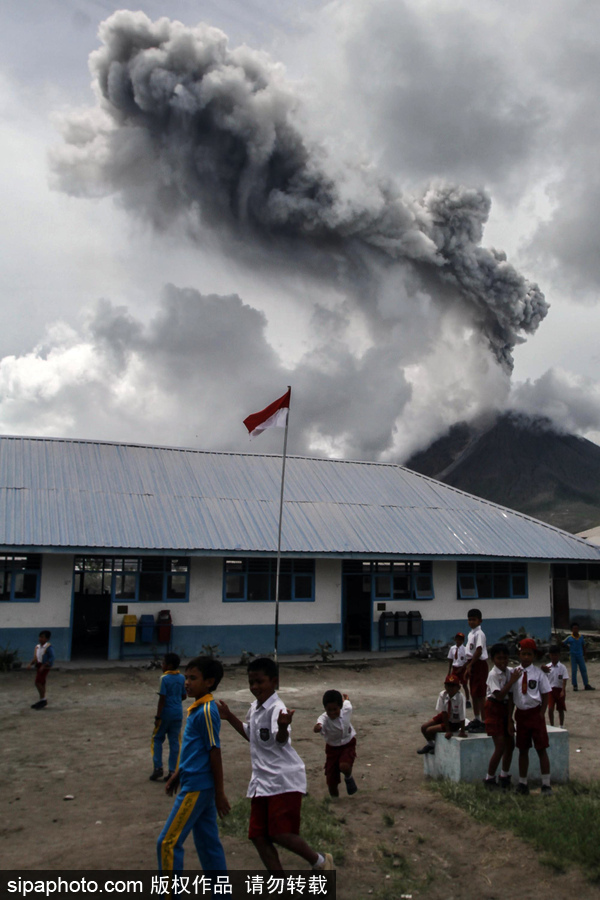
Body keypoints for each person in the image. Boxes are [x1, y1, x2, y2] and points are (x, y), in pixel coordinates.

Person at [217, 657, 334, 873]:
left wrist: (282, 727)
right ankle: (281, 887)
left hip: (283, 779)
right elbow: (252, 734)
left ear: (274, 682)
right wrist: (229, 717)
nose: (255, 687)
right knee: (258, 835)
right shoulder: (255, 708)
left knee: (281, 833)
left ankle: (320, 862)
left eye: (260, 682)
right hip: (262, 781)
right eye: (251, 682)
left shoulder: (277, 709)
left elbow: (280, 740)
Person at [157, 656, 230, 874]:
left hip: (197, 787)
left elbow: (214, 751)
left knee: (167, 843)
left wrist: (220, 792)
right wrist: (178, 774)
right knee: (208, 845)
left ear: (209, 681)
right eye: (186, 677)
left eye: (193, 678)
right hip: (194, 781)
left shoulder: (207, 711)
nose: (187, 682)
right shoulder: (197, 709)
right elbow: (195, 752)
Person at [510, 638, 552, 795]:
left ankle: (546, 784)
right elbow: (512, 697)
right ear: (519, 655)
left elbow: (546, 693)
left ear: (534, 655)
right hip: (521, 715)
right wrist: (510, 717)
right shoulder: (515, 673)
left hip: (535, 713)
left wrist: (541, 713)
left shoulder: (539, 674)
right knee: (522, 749)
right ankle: (522, 783)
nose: (526, 657)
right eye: (523, 654)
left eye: (529, 654)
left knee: (541, 748)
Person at [483, 643, 519, 790]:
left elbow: (510, 697)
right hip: (494, 707)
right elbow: (499, 696)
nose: (503, 661)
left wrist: (510, 718)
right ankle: (490, 778)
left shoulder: (510, 671)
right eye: (499, 658)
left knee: (510, 744)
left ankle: (504, 775)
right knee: (500, 745)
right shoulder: (493, 675)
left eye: (505, 658)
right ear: (493, 659)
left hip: (506, 708)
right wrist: (512, 681)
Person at [313, 690, 358, 797]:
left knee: (344, 766)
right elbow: (319, 724)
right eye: (329, 710)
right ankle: (335, 800)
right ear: (325, 709)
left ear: (340, 707)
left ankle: (348, 777)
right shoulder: (323, 718)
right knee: (331, 780)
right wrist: (317, 728)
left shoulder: (347, 709)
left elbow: (347, 702)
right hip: (332, 748)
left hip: (348, 743)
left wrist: (346, 699)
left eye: (335, 709)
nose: (332, 712)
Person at [150, 652, 187, 781]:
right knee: (175, 741)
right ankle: (172, 771)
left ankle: (158, 767)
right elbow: (184, 696)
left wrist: (157, 717)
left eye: (163, 663)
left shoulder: (164, 679)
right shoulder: (182, 678)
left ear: (169, 665)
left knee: (157, 739)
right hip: (178, 712)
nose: (162, 665)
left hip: (165, 713)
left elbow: (162, 699)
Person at [416, 673, 467, 755]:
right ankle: (431, 744)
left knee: (429, 730)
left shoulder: (460, 698)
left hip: (454, 721)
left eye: (453, 686)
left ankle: (438, 745)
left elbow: (462, 715)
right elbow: (443, 713)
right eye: (448, 686)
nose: (450, 688)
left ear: (458, 688)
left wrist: (462, 731)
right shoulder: (443, 695)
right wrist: (447, 730)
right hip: (446, 716)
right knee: (424, 727)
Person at [464, 609, 488, 732]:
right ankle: (477, 718)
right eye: (469, 619)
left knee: (480, 694)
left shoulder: (480, 634)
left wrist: (470, 665)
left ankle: (484, 721)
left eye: (474, 619)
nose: (471, 622)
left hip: (478, 664)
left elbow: (478, 651)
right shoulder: (470, 634)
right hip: (471, 663)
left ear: (480, 621)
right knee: (474, 693)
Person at [562, 623, 595, 691]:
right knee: (574, 671)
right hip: (573, 656)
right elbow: (562, 643)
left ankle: (586, 684)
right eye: (574, 629)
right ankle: (575, 685)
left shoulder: (581, 637)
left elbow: (583, 647)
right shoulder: (569, 638)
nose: (575, 630)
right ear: (571, 630)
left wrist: (585, 655)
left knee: (583, 670)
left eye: (576, 628)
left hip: (580, 656)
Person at [27, 630, 55, 710]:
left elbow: (52, 657)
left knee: (38, 682)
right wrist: (30, 664)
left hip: (45, 667)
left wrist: (44, 665)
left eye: (42, 637)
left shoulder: (49, 647)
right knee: (41, 682)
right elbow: (36, 658)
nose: (40, 639)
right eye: (40, 637)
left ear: (47, 639)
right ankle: (42, 699)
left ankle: (43, 699)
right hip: (39, 666)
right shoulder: (38, 647)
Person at [543, 645, 569, 726]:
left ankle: (561, 725)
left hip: (559, 690)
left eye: (556, 655)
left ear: (559, 655)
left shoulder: (562, 667)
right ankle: (552, 725)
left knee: (560, 709)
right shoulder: (547, 667)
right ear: (550, 655)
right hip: (550, 690)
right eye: (552, 655)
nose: (554, 657)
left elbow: (564, 679)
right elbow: (544, 679)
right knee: (550, 708)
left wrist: (563, 690)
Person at [447, 631, 471, 708]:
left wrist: (462, 668)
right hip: (455, 668)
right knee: (453, 684)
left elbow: (467, 660)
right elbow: (451, 659)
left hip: (462, 668)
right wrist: (449, 671)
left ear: (463, 641)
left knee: (464, 684)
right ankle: (454, 699)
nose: (458, 641)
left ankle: (468, 700)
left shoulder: (465, 649)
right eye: (457, 639)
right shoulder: (452, 648)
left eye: (460, 639)